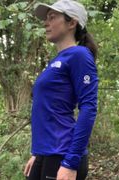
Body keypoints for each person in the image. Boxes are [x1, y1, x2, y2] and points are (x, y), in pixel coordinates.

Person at [24, 0, 99, 179]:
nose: (45, 23)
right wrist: (37, 152)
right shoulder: (57, 60)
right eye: (46, 18)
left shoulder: (79, 55)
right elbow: (49, 108)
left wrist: (71, 162)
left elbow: (88, 107)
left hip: (63, 155)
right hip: (46, 153)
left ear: (71, 23)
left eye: (52, 17)